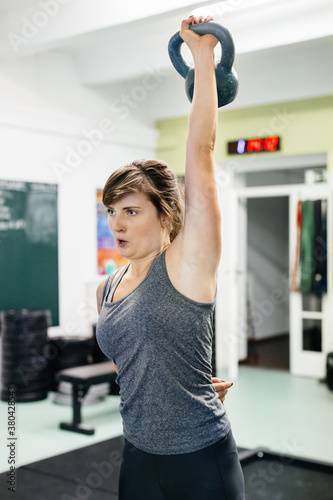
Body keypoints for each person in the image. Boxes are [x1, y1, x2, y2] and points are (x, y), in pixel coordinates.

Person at [96, 14, 245, 500]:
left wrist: (203, 57)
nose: (117, 223)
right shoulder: (108, 288)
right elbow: (136, 363)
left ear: (165, 217)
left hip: (201, 462)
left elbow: (200, 153)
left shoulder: (186, 265)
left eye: (132, 210)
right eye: (113, 210)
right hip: (137, 458)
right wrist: (190, 380)